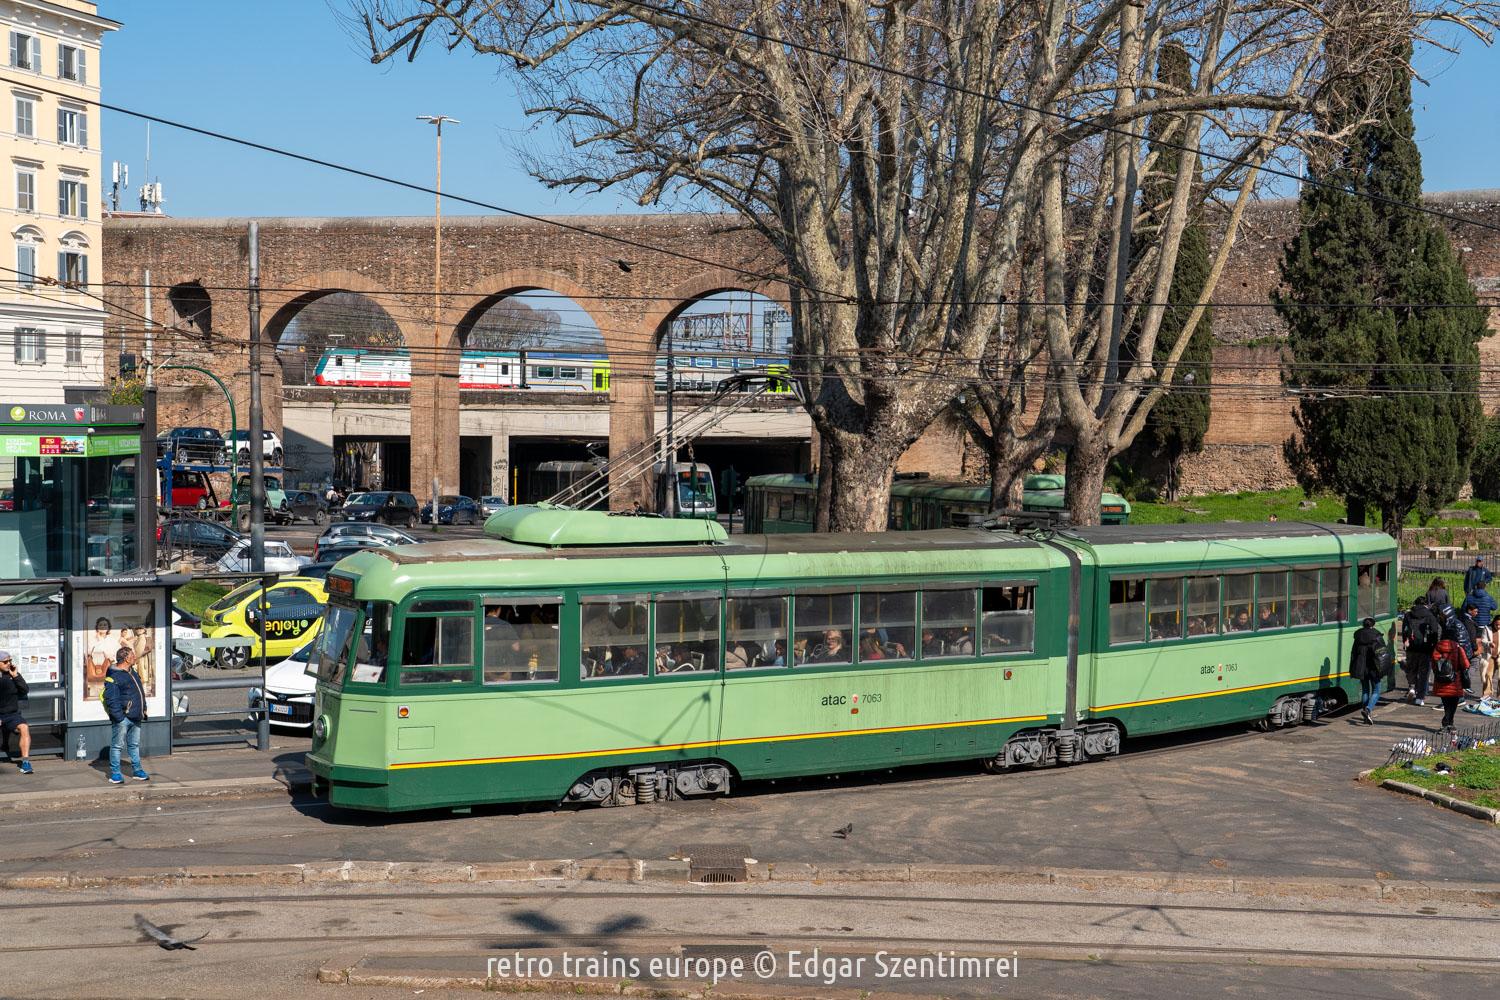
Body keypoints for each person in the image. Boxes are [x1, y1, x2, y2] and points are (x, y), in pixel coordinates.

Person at [102, 647, 149, 784]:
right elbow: (111, 699)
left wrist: (143, 709)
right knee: (117, 746)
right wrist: (119, 717)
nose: (135, 657)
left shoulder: (132, 672)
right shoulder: (114, 676)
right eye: (133, 655)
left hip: (136, 716)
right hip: (123, 718)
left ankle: (137, 771)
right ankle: (115, 773)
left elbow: (139, 692)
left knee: (134, 745)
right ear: (127, 658)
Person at [1401, 597, 1441, 706]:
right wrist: (1434, 647)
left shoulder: (1408, 615)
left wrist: (1405, 642)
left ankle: (1412, 688)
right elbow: (1434, 632)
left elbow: (1404, 631)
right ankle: (1420, 697)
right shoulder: (1430, 616)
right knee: (1424, 673)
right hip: (1426, 649)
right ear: (1425, 604)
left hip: (1411, 648)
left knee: (1411, 669)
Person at [1348, 617, 1386, 725]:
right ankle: (1368, 710)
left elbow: (1353, 653)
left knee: (1365, 690)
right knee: (1376, 690)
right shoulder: (1377, 635)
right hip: (1374, 667)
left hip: (1361, 667)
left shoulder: (1358, 636)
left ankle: (1366, 715)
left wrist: (1352, 668)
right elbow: (1382, 653)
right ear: (1373, 625)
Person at [1429, 632, 1471, 730]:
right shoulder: (1458, 648)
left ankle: (1448, 722)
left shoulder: (1437, 648)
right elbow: (1466, 664)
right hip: (1455, 680)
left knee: (1446, 703)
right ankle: (1447, 722)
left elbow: (1434, 664)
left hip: (1441, 680)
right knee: (1453, 703)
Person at [0, 651, 32, 773]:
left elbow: (24, 690)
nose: (9, 664)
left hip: (12, 714)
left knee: (24, 727)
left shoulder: (13, 675)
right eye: (5, 662)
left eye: (10, 661)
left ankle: (25, 763)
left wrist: (16, 676)